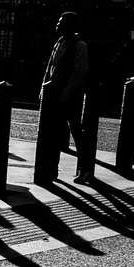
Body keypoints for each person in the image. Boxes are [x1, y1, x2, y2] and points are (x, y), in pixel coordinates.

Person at [39, 11, 89, 171]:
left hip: (70, 97)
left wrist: (65, 96)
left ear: (70, 25)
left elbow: (78, 73)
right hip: (54, 94)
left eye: (61, 22)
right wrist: (43, 89)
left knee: (76, 131)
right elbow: (50, 67)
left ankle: (85, 168)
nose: (58, 24)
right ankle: (52, 167)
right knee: (54, 133)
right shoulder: (59, 42)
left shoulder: (80, 46)